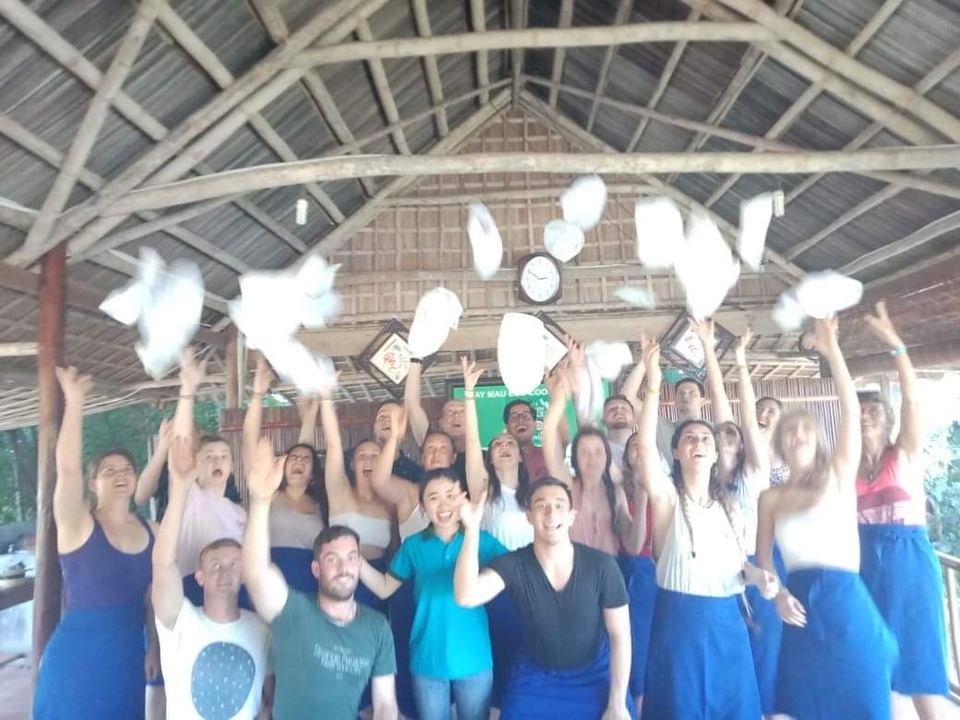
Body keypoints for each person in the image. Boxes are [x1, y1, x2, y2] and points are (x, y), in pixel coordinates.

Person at [756, 316, 897, 720]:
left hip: (846, 600)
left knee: (862, 702)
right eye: (790, 430)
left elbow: (849, 409)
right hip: (797, 603)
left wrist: (831, 347)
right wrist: (778, 593)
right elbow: (764, 559)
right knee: (795, 708)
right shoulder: (770, 498)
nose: (797, 434)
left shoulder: (838, 474)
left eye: (806, 428)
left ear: (818, 437)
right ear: (780, 441)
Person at [636, 338, 773, 719]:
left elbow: (738, 568)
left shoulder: (730, 508)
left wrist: (759, 576)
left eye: (706, 439)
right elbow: (646, 448)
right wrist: (652, 381)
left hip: (728, 625)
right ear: (676, 452)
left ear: (716, 454)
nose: (698, 443)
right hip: (679, 628)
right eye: (689, 438)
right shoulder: (666, 500)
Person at [242, 437, 398, 720]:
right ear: (316, 569)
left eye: (351, 558)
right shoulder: (292, 612)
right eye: (332, 559)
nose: (343, 567)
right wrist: (261, 501)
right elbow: (255, 572)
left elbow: (386, 705)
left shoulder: (377, 628)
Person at [454, 477, 635, 720]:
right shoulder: (514, 564)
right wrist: (472, 529)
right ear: (528, 515)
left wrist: (617, 703)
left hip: (594, 674)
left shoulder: (602, 566)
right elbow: (466, 596)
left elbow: (620, 636)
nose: (550, 513)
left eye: (559, 505)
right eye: (541, 505)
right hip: (535, 677)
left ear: (571, 516)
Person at [33, 367, 156, 720]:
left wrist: (155, 649)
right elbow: (68, 469)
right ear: (92, 485)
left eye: (127, 470)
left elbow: (150, 599)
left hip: (129, 655)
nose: (120, 475)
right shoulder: (77, 524)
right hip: (77, 656)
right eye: (109, 471)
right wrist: (75, 401)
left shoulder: (152, 531)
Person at [855, 302, 949, 719]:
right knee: (878, 669)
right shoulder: (847, 468)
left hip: (909, 560)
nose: (867, 414)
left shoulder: (904, 454)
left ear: (888, 418)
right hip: (864, 562)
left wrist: (896, 346)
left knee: (920, 667)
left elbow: (911, 399)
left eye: (875, 409)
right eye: (859, 410)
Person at [361, 467, 507, 720]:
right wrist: (356, 560)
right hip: (427, 658)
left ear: (463, 497)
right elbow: (385, 588)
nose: (443, 504)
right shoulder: (414, 545)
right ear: (423, 506)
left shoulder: (482, 541)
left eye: (451, 495)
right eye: (433, 497)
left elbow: (516, 573)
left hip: (475, 656)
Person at [695, 321, 784, 720]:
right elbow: (719, 403)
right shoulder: (706, 486)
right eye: (720, 433)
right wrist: (706, 349)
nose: (727, 434)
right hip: (722, 576)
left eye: (733, 432)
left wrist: (739, 359)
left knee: (766, 651)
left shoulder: (754, 473)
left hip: (760, 566)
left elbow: (745, 414)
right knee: (730, 653)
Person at [152, 435, 273, 719]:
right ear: (200, 575)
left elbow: (273, 698)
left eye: (233, 563)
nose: (225, 570)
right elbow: (163, 564)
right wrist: (180, 488)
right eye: (215, 565)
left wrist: (262, 499)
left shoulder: (262, 629)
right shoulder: (182, 623)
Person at [243, 358, 326, 594]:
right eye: (293, 458)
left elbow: (305, 448)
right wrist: (258, 395)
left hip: (310, 584)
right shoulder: (265, 494)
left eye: (305, 460)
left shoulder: (322, 505)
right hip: (267, 580)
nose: (298, 461)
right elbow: (249, 442)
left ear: (312, 473)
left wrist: (309, 418)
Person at [542, 368, 636, 557]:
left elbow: (632, 544)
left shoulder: (616, 492)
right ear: (575, 458)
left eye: (598, 452)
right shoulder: (566, 486)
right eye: (584, 452)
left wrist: (641, 499)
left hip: (608, 575)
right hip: (572, 574)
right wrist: (559, 398)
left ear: (607, 457)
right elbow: (549, 434)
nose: (592, 458)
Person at [406, 356, 468, 479]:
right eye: (450, 412)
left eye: (461, 412)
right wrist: (416, 360)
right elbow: (412, 405)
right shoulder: (431, 441)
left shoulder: (483, 456)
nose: (456, 415)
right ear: (441, 423)